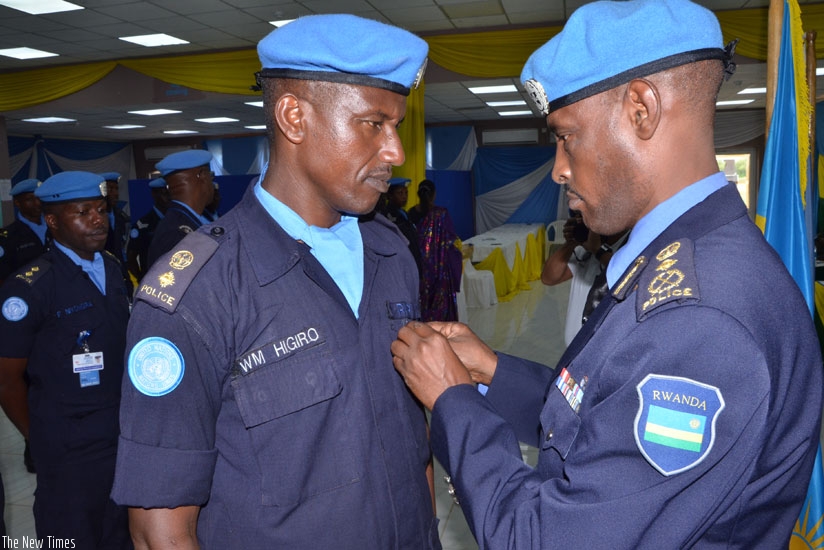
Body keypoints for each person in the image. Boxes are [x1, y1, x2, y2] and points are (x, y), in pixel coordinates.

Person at [390, 0, 823, 546]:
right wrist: (493, 372)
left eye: (567, 136)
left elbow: (544, 538)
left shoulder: (703, 319)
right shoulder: (681, 257)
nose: (558, 168)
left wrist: (451, 400)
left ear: (641, 109)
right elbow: (605, 415)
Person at [112, 14, 440, 549]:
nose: (396, 153)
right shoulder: (199, 293)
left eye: (396, 126)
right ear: (293, 117)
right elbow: (160, 531)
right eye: (373, 124)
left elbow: (409, 441)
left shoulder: (392, 253)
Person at [0, 171, 131, 548]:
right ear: (53, 221)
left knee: (119, 534)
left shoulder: (111, 267)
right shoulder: (30, 288)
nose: (96, 219)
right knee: (71, 536)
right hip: (68, 449)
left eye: (100, 209)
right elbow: (7, 381)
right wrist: (39, 435)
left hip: (119, 435)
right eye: (82, 212)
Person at [541, 213, 627, 346]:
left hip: (602, 348)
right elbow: (549, 278)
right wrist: (570, 244)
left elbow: (628, 275)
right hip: (574, 346)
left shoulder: (631, 244)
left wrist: (598, 250)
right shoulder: (588, 245)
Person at [145, 149, 214, 268]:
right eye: (211, 176)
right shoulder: (176, 234)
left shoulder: (198, 218)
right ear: (202, 175)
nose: (212, 184)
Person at [408, 179, 462, 321]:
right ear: (434, 194)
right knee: (440, 304)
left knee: (421, 301)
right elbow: (450, 243)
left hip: (418, 268)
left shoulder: (411, 213)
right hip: (440, 271)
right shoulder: (441, 214)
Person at [0, 178, 47, 285]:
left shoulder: (56, 226)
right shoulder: (8, 236)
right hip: (29, 291)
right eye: (29, 199)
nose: (37, 203)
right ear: (17, 202)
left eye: (39, 198)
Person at [126, 176, 170, 281]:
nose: (168, 198)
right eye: (164, 194)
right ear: (154, 195)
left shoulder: (177, 220)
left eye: (169, 193)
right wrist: (142, 279)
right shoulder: (143, 224)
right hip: (152, 279)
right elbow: (131, 257)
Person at [379, 177, 423, 273]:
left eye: (406, 193)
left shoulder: (403, 213)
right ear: (390, 195)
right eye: (400, 193)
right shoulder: (388, 215)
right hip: (400, 263)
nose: (404, 197)